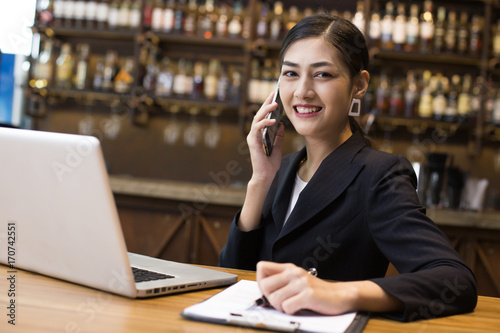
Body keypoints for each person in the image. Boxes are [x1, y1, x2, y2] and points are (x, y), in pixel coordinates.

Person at [219, 14, 477, 322]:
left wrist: (340, 293)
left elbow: (455, 281)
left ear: (359, 85)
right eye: (290, 74)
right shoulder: (280, 169)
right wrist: (259, 180)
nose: (302, 91)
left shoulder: (379, 175)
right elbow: (232, 276)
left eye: (323, 75)